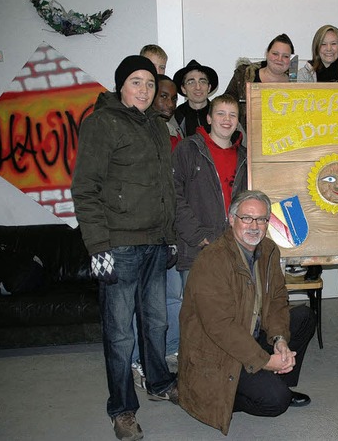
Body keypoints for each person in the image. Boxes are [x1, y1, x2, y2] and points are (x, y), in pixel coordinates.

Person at [71, 55, 179, 441]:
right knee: (120, 335)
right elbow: (85, 189)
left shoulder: (156, 126)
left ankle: (159, 381)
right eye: (136, 82)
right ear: (121, 86)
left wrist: (169, 237)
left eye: (150, 84)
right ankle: (121, 409)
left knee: (157, 322)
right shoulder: (102, 123)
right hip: (119, 246)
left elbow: (166, 190)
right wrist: (98, 246)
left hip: (154, 243)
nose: (145, 90)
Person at [178, 190, 315, 435]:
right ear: (232, 220)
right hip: (219, 352)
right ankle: (218, 400)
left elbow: (276, 301)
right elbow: (221, 327)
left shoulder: (269, 251)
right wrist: (264, 360)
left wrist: (280, 341)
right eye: (246, 218)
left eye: (261, 219)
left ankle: (278, 379)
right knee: (276, 402)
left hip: (250, 336)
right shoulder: (212, 260)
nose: (254, 226)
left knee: (303, 317)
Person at [130, 75, 183, 390]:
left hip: (170, 233)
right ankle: (138, 360)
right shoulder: (141, 131)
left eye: (173, 98)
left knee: (173, 298)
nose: (168, 103)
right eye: (164, 96)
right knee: (145, 303)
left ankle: (167, 353)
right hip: (144, 235)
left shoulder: (174, 134)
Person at [172, 93, 247, 285]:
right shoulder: (188, 149)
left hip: (236, 249)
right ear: (209, 118)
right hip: (198, 251)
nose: (226, 119)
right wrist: (198, 236)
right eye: (221, 113)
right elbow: (173, 195)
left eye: (232, 115)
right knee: (197, 312)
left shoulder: (245, 157)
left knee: (233, 311)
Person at [224, 33, 295, 129]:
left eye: (285, 56)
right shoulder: (244, 76)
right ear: (267, 53)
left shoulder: (297, 84)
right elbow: (226, 104)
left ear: (290, 59)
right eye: (275, 54)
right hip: (246, 139)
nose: (279, 59)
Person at [173, 59, 219, 136]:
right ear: (183, 89)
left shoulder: (222, 114)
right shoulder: (176, 117)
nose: (198, 87)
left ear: (209, 87)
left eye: (202, 81)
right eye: (191, 82)